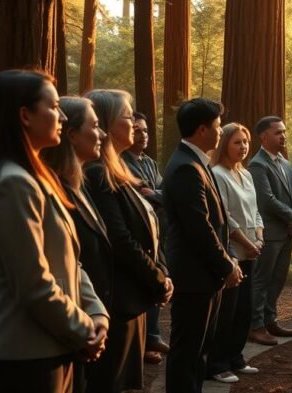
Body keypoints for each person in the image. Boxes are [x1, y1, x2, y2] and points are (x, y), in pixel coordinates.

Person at [0, 70, 108, 393]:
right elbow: (33, 283)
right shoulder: (11, 183)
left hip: (52, 346)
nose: (62, 116)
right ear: (25, 115)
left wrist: (96, 313)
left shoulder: (38, 178)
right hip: (23, 356)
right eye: (53, 106)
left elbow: (69, 261)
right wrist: (84, 329)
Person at [83, 89, 171, 391]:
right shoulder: (97, 174)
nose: (134, 122)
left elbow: (146, 229)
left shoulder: (118, 170)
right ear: (106, 124)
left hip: (132, 299)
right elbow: (119, 239)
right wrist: (157, 278)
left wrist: (159, 272)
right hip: (117, 300)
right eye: (127, 116)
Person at [162, 98, 242, 393]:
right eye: (218, 126)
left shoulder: (196, 161)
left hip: (205, 275)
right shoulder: (185, 167)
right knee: (188, 351)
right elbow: (199, 227)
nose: (220, 132)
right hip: (194, 275)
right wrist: (226, 265)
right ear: (201, 129)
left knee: (199, 351)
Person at [40, 96, 115, 393]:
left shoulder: (77, 184)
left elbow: (76, 261)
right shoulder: (47, 188)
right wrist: (84, 327)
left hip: (86, 325)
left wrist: (98, 314)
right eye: (95, 126)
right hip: (61, 334)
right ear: (71, 135)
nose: (103, 134)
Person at [206, 124, 262, 383]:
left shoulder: (246, 174)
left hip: (252, 249)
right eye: (237, 142)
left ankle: (236, 357)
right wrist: (245, 242)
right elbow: (224, 216)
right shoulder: (218, 173)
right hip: (232, 250)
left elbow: (255, 210)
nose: (243, 147)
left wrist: (259, 236)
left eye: (245, 142)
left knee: (244, 309)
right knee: (228, 309)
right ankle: (217, 363)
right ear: (224, 144)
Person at [248, 116, 292, 345]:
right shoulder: (257, 164)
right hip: (270, 233)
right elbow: (266, 199)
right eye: (278, 132)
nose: (283, 136)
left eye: (284, 132)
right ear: (263, 136)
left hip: (287, 232)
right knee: (262, 280)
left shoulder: (285, 162)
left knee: (278, 279)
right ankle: (256, 325)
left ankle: (271, 319)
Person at [121, 112, 170, 359]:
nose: (142, 135)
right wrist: (155, 194)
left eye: (146, 130)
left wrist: (156, 194)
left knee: (158, 279)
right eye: (137, 130)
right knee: (145, 282)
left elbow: (162, 192)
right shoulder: (120, 161)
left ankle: (152, 338)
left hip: (156, 230)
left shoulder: (149, 162)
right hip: (135, 232)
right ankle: (144, 342)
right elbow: (140, 194)